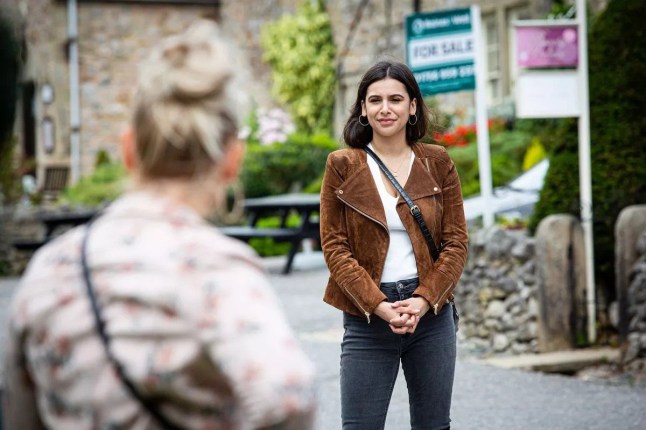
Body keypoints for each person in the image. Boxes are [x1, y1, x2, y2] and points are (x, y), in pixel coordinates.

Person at [2, 20, 315, 430]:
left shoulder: (50, 268)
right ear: (232, 160)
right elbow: (287, 401)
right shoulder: (218, 271)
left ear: (128, 149)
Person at [320, 59, 468, 430]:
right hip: (367, 316)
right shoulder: (342, 164)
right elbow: (335, 247)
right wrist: (381, 306)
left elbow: (456, 242)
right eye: (375, 100)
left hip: (430, 316)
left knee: (433, 426)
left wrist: (423, 299)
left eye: (396, 99)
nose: (385, 108)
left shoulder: (438, 162)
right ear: (364, 109)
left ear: (412, 106)